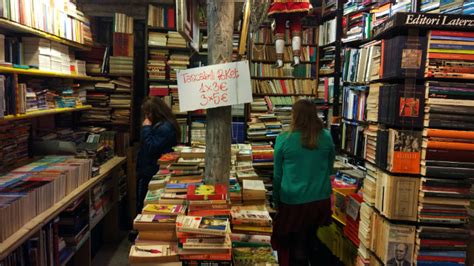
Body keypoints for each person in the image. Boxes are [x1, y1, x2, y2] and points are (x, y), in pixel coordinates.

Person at [271, 99, 335, 266]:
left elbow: (277, 174)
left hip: (293, 202)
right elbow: (330, 168)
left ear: (294, 116)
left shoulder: (284, 138)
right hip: (319, 201)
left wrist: (275, 201)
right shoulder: (326, 137)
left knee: (296, 245)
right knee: (311, 239)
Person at [136, 97, 180, 213]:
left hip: (153, 170)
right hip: (151, 169)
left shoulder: (164, 127)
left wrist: (146, 128)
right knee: (144, 201)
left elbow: (152, 147)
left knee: (146, 203)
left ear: (156, 112)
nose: (146, 117)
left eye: (148, 113)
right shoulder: (162, 125)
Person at [268, 0, 312, 68]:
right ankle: (296, 59)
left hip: (280, 2)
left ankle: (279, 61)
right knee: (296, 26)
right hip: (296, 2)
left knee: (279, 28)